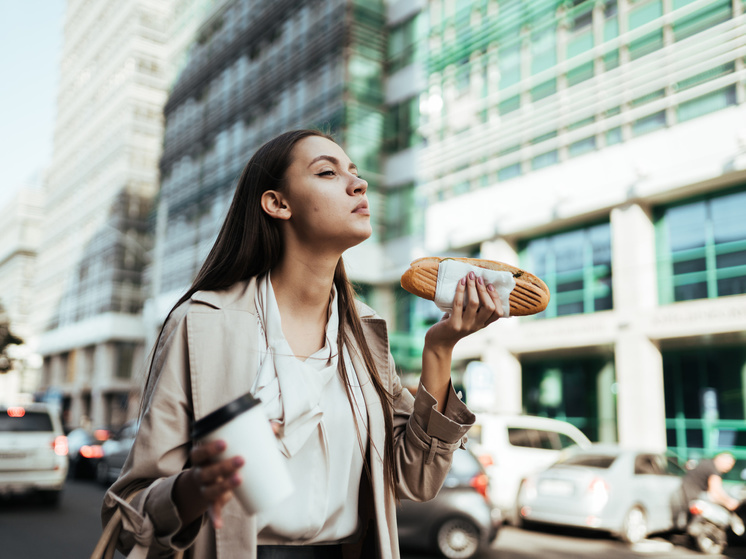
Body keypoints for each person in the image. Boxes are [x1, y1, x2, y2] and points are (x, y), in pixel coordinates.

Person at [101, 129, 506, 559]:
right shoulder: (201, 325)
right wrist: (196, 486)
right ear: (278, 203)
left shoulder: (365, 333)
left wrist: (440, 350)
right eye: (328, 172)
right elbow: (127, 521)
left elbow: (416, 479)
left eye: (355, 172)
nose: (358, 183)